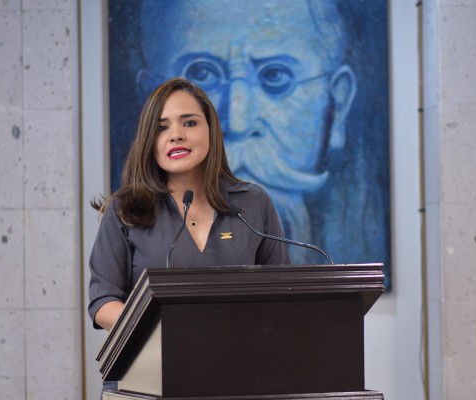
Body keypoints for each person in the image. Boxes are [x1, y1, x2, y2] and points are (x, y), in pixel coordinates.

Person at [135, 0, 361, 264]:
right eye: (203, 74)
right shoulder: (124, 214)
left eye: (275, 75)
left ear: (337, 105)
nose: (238, 123)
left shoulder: (261, 206)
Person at [88, 77, 290, 334]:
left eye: (190, 123)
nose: (176, 135)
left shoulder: (254, 202)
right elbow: (103, 300)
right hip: (158, 355)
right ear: (149, 140)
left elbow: (282, 291)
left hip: (243, 352)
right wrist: (160, 330)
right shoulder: (124, 209)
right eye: (161, 128)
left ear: (211, 130)